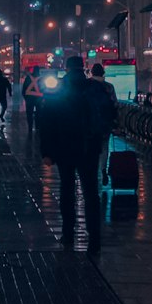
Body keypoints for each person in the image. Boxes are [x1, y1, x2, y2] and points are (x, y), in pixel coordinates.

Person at [38, 54, 106, 255]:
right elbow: (109, 113)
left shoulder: (57, 88)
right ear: (82, 67)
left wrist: (47, 152)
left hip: (64, 147)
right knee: (90, 192)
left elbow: (46, 122)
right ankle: (94, 238)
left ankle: (68, 233)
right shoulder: (94, 88)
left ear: (66, 68)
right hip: (89, 147)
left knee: (67, 189)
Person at [90, 62, 119, 186]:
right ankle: (103, 169)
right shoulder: (109, 87)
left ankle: (92, 170)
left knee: (92, 147)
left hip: (91, 123)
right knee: (104, 147)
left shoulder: (88, 85)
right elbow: (115, 105)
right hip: (106, 123)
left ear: (92, 73)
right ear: (103, 73)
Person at [22, 65, 44, 132]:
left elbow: (24, 88)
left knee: (29, 113)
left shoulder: (28, 78)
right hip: (39, 98)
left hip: (29, 98)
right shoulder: (41, 78)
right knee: (39, 113)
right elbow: (44, 89)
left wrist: (25, 97)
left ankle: (30, 127)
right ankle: (37, 127)